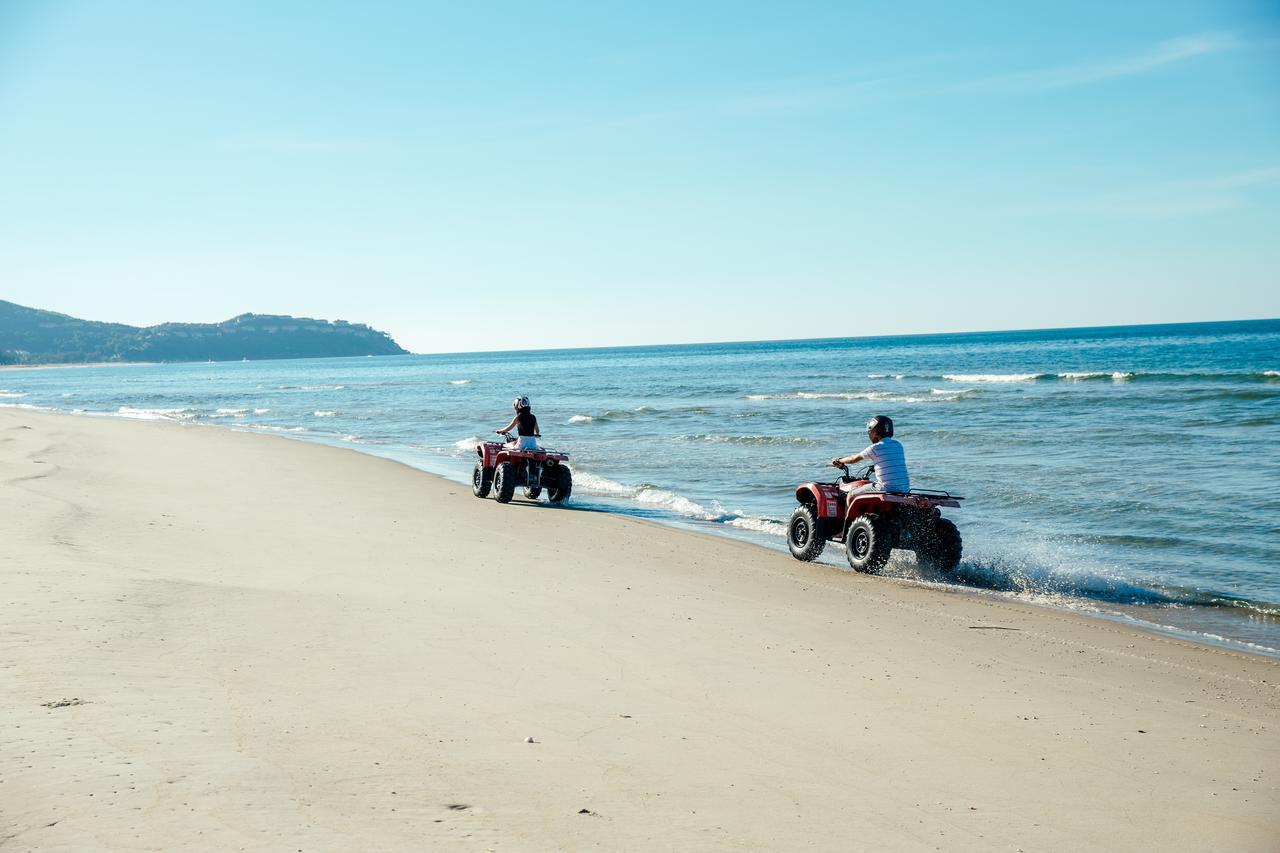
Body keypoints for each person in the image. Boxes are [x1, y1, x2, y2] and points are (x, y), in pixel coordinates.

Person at [831, 414, 909, 493]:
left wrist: (839, 460)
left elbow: (853, 459)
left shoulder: (875, 448)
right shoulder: (898, 445)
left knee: (851, 494)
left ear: (874, 432)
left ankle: (847, 505)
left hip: (885, 488)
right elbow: (891, 461)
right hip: (904, 489)